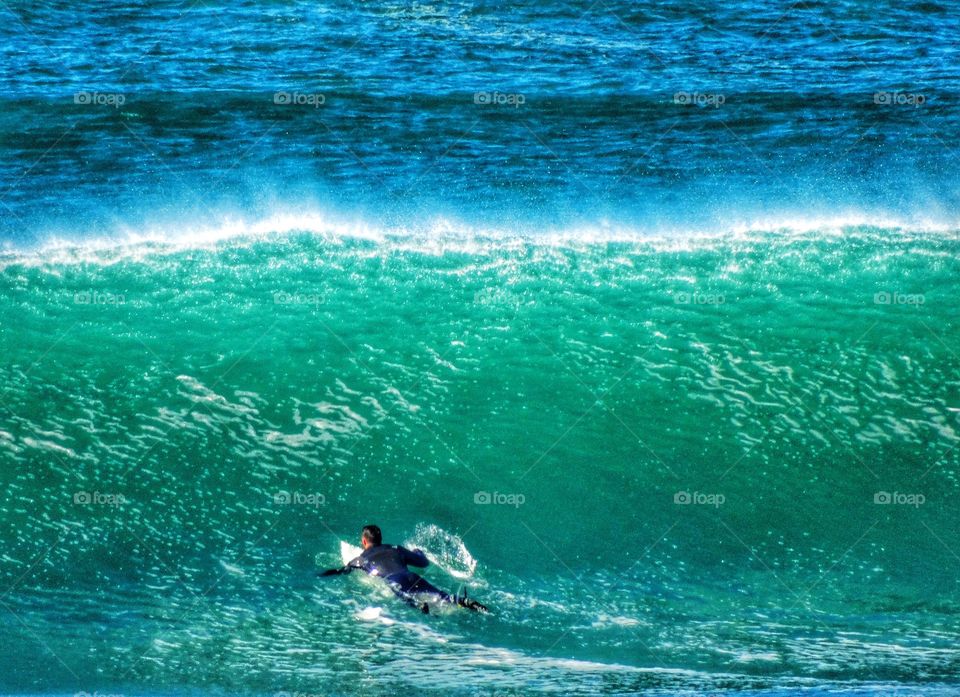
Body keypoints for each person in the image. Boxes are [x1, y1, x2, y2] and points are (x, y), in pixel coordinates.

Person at [320, 524, 487, 614]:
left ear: (364, 542)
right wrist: (417, 551)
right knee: (444, 596)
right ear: (380, 539)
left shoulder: (360, 559)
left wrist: (324, 573)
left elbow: (342, 571)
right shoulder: (396, 549)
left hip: (395, 582)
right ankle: (465, 602)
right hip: (412, 576)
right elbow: (423, 563)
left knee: (406, 597)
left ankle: (420, 606)